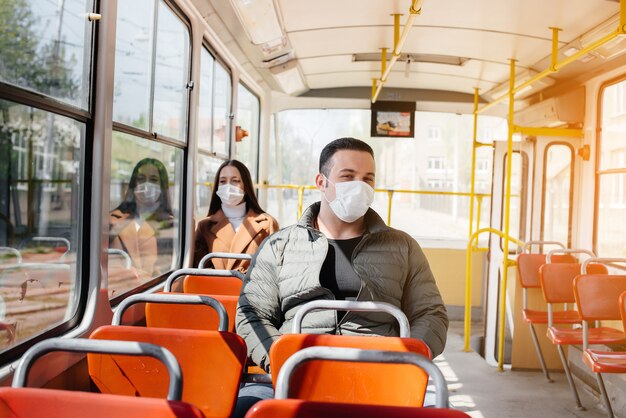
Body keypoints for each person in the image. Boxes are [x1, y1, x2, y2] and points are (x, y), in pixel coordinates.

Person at [234, 137, 448, 416]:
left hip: (378, 375)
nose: (360, 186)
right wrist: (281, 360)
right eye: (348, 176)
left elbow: (431, 315)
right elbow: (251, 313)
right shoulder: (280, 245)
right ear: (321, 182)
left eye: (367, 179)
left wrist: (405, 362)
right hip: (296, 372)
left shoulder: (402, 247)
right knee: (242, 409)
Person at [193, 159, 279, 271]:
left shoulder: (267, 224)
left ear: (246, 186)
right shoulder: (204, 227)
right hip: (216, 287)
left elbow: (274, 268)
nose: (228, 187)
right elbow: (199, 270)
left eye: (235, 181)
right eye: (223, 181)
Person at [109, 158, 174, 276]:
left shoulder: (173, 225)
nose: (147, 185)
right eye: (141, 179)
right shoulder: (112, 219)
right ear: (134, 184)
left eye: (153, 180)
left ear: (162, 186)